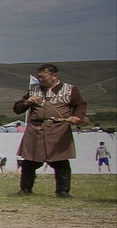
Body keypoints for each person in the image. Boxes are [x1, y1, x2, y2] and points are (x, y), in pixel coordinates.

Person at [14, 65, 87, 197]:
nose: (40, 79)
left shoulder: (70, 90)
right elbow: (17, 109)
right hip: (35, 130)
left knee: (60, 162)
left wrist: (77, 117)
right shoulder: (33, 90)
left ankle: (63, 191)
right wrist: (27, 102)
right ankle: (25, 189)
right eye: (39, 77)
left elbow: (80, 105)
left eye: (43, 77)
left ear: (54, 76)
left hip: (58, 129)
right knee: (29, 161)